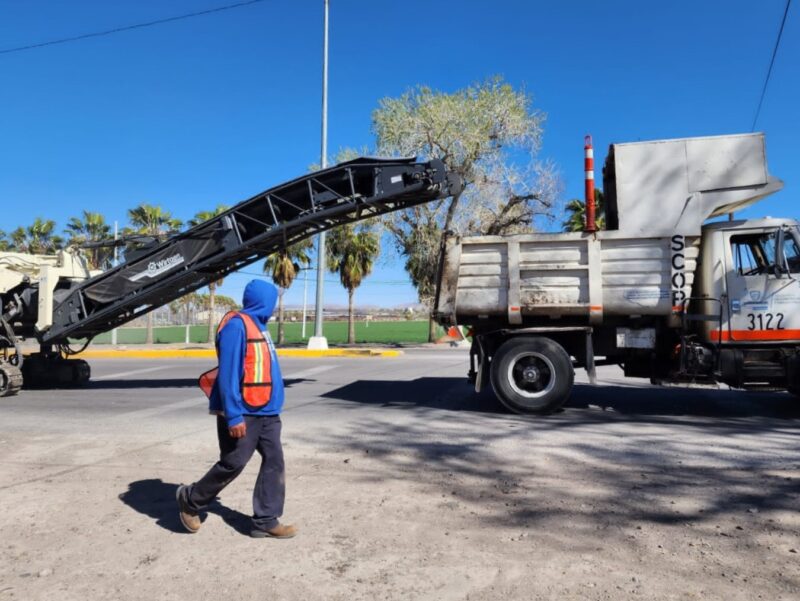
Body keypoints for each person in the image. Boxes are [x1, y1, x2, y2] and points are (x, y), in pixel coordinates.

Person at [176, 279, 297, 539]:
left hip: (267, 412)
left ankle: (265, 520)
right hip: (244, 411)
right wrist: (233, 415)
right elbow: (229, 374)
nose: (273, 306)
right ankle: (191, 499)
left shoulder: (261, 327)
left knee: (274, 460)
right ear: (262, 300)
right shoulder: (236, 326)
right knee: (234, 462)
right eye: (271, 301)